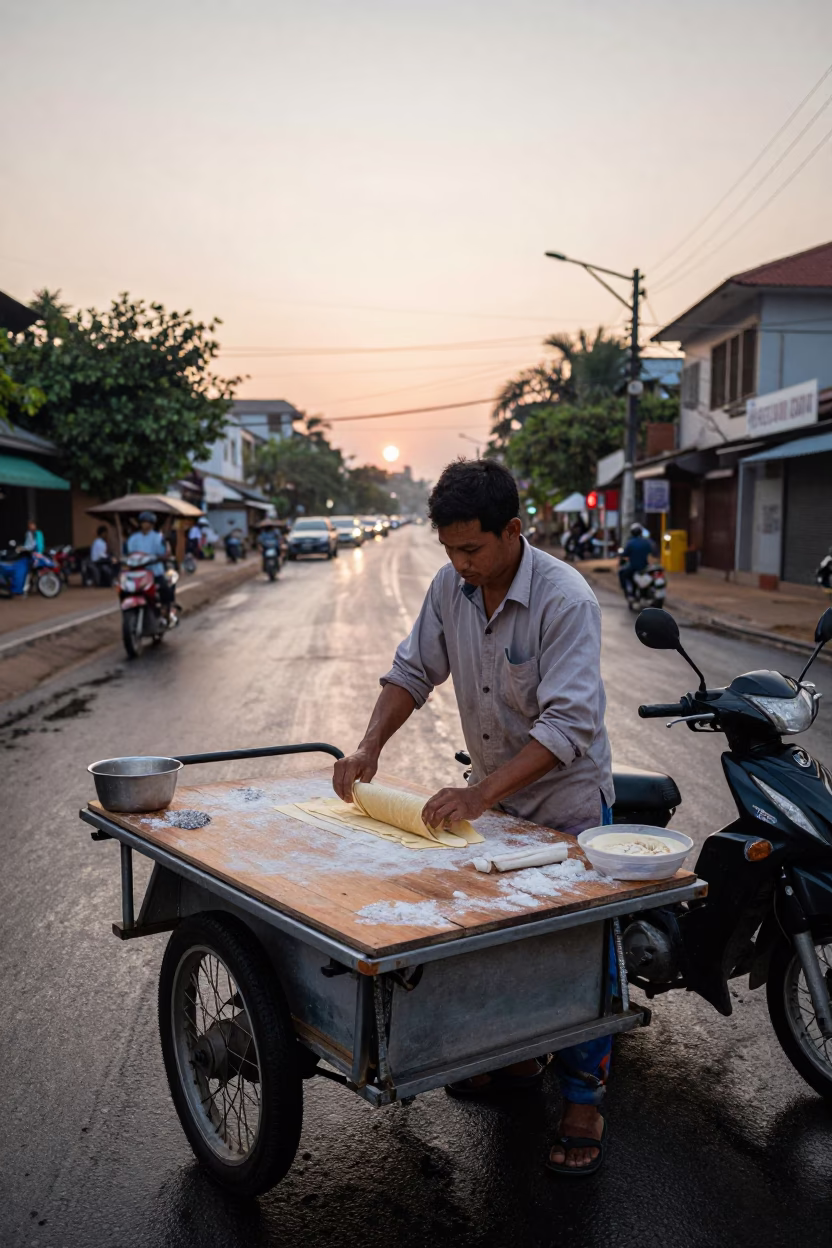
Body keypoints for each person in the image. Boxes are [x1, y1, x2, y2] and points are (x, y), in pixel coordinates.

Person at [333, 459, 615, 1174]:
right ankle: (518, 1060)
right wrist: (368, 747)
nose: (460, 565)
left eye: (472, 550)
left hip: (568, 803)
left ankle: (583, 1097)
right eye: (450, 551)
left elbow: (568, 724)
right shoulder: (450, 587)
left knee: (576, 947)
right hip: (498, 800)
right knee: (498, 938)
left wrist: (478, 796)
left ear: (514, 531)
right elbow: (411, 672)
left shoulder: (566, 599)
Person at [126, 511, 174, 619]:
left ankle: (165, 610)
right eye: (143, 522)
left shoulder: (158, 537)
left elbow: (163, 553)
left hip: (154, 572)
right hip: (137, 573)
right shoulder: (133, 538)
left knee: (165, 588)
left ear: (152, 524)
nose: (145, 525)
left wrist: (160, 557)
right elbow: (129, 552)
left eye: (147, 522)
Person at [618, 523, 655, 599]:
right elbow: (653, 552)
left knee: (621, 573)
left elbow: (625, 554)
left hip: (634, 567)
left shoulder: (630, 543)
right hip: (645, 567)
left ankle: (627, 592)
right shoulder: (646, 542)